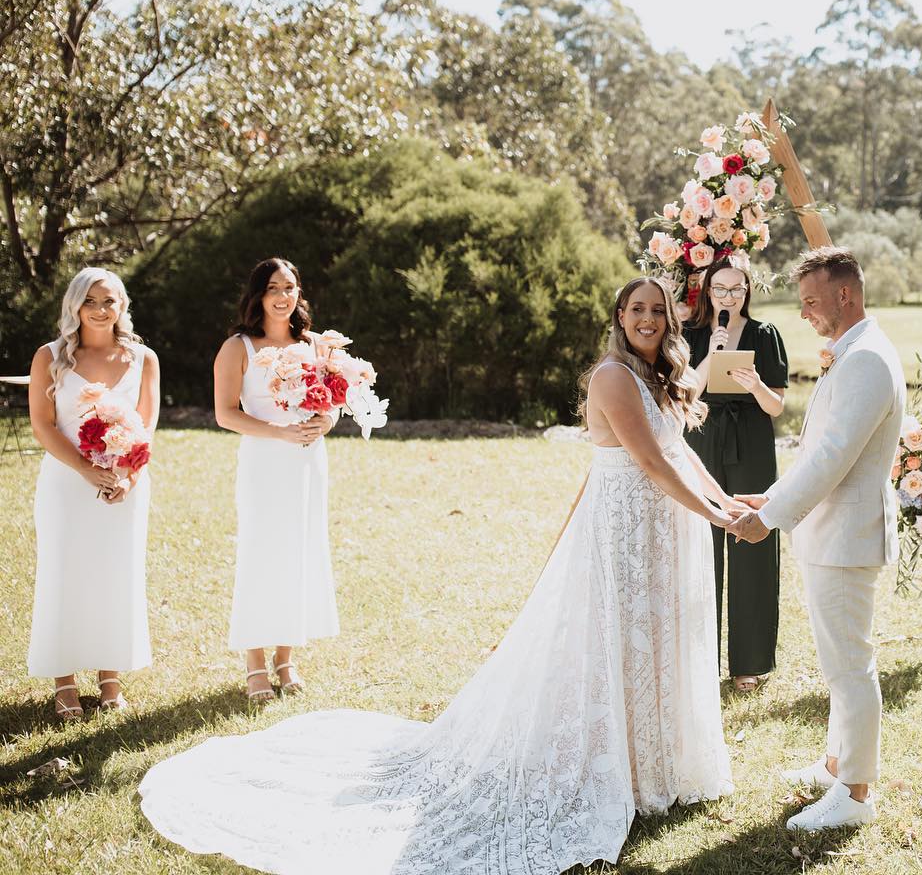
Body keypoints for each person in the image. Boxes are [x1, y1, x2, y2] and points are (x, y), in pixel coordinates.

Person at [139, 276, 741, 874]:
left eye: (657, 310)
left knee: (653, 644)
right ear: (618, 315)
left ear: (670, 319)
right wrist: (720, 518)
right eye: (637, 308)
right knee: (612, 645)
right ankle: (610, 766)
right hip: (623, 534)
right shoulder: (613, 376)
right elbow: (651, 461)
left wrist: (730, 501)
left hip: (662, 531)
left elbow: (681, 453)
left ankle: (651, 766)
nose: (648, 319)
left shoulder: (662, 379)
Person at [729, 246, 905, 831]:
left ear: (844, 295)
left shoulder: (866, 361)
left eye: (811, 301)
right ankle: (836, 765)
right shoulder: (853, 354)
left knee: (851, 665)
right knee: (839, 663)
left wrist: (772, 515)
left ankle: (854, 796)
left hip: (848, 535)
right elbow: (823, 453)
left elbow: (834, 456)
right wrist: (772, 495)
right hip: (836, 530)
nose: (803, 312)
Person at [27, 267, 159, 719]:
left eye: (111, 301)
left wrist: (128, 477)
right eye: (92, 302)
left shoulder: (144, 359)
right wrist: (87, 469)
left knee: (114, 575)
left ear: (123, 306)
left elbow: (147, 425)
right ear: (75, 306)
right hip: (66, 482)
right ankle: (63, 681)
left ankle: (109, 677)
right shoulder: (50, 357)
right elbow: (43, 424)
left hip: (125, 484)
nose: (102, 310)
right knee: (64, 572)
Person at [214, 258, 338, 701]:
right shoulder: (238, 348)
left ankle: (286, 658)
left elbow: (332, 403)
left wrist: (325, 422)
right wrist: (278, 433)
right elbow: (225, 413)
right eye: (273, 288)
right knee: (261, 554)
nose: (283, 297)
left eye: (290, 288)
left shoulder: (316, 344)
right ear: (257, 296)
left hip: (308, 463)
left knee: (298, 554)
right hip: (265, 462)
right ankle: (254, 662)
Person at [683, 256, 788, 693]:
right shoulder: (690, 335)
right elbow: (685, 391)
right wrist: (712, 354)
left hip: (751, 442)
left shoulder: (766, 336)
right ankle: (698, 660)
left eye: (737, 289)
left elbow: (776, 406)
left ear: (747, 291)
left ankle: (749, 661)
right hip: (703, 436)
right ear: (708, 292)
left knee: (751, 542)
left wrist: (754, 385)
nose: (729, 296)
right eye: (721, 289)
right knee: (699, 543)